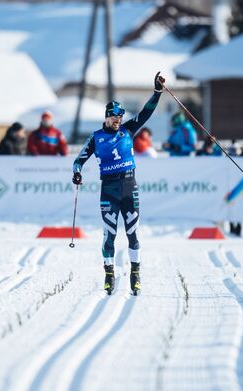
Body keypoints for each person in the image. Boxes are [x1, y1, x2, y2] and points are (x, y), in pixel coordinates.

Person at [72, 72, 165, 296]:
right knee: (109, 235)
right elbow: (79, 160)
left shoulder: (128, 130)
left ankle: (135, 274)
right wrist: (77, 173)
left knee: (133, 234)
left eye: (120, 117)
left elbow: (146, 113)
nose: (118, 120)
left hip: (129, 186)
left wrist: (157, 93)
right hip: (109, 189)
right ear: (106, 116)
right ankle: (109, 274)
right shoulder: (96, 137)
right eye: (114, 117)